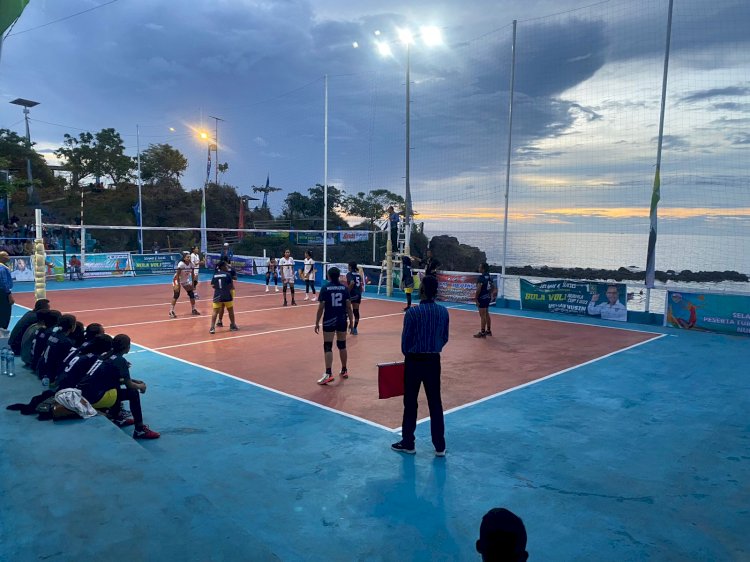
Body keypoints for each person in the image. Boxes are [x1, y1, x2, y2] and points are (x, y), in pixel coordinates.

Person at [391, 275, 450, 456]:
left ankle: (409, 442)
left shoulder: (412, 313)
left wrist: (411, 353)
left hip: (414, 361)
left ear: (422, 290)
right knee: (435, 402)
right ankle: (439, 445)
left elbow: (405, 342)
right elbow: (445, 337)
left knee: (410, 402)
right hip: (433, 361)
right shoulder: (443, 312)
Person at [78, 334, 160, 439]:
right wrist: (141, 386)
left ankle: (117, 418)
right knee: (133, 393)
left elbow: (114, 378)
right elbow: (129, 385)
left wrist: (133, 380)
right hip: (94, 399)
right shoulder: (120, 361)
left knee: (114, 387)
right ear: (127, 347)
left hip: (83, 395)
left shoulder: (106, 355)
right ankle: (139, 430)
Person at [314, 267, 354, 385]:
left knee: (328, 346)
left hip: (329, 320)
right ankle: (344, 369)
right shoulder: (344, 288)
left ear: (329, 276)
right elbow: (348, 306)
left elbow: (321, 307)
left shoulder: (325, 288)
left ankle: (328, 373)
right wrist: (351, 322)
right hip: (342, 319)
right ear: (339, 276)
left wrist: (316, 322)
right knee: (342, 345)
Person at [37, 314, 77, 384]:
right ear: (72, 326)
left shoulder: (53, 334)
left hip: (42, 368)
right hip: (51, 374)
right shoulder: (66, 342)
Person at [209, 261, 238, 334]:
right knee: (230, 310)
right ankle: (232, 325)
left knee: (215, 311)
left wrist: (218, 288)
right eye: (226, 266)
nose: (227, 267)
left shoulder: (215, 275)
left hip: (217, 295)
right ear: (222, 267)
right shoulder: (227, 275)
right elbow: (231, 286)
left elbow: (212, 285)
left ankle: (212, 328)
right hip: (226, 294)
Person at [169, 253, 199, 318]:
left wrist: (193, 285)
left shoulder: (191, 264)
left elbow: (193, 275)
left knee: (191, 294)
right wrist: (178, 285)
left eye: (189, 257)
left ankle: (193, 309)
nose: (189, 258)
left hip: (185, 280)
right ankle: (171, 311)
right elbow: (177, 275)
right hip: (177, 279)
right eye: (187, 257)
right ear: (184, 258)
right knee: (176, 294)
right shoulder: (181, 264)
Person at [474, 263, 497, 338]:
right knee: (486, 313)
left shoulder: (481, 278)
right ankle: (488, 330)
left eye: (479, 267)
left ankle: (482, 332)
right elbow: (493, 287)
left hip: (482, 298)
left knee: (482, 315)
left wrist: (476, 298)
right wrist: (490, 294)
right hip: (487, 298)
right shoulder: (489, 276)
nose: (478, 268)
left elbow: (478, 289)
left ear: (483, 269)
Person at [346, 261, 363, 334]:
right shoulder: (358, 275)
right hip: (358, 295)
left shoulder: (349, 274)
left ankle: (347, 326)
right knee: (356, 311)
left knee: (347, 311)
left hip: (351, 294)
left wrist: (347, 291)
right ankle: (355, 328)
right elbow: (360, 286)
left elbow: (352, 283)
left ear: (350, 267)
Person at [0, 251, 14, 330]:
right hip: (3, 293)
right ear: (2, 257)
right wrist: (9, 294)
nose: (9, 257)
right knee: (5, 312)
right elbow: (3, 281)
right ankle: (3, 328)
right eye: (7, 256)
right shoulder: (2, 268)